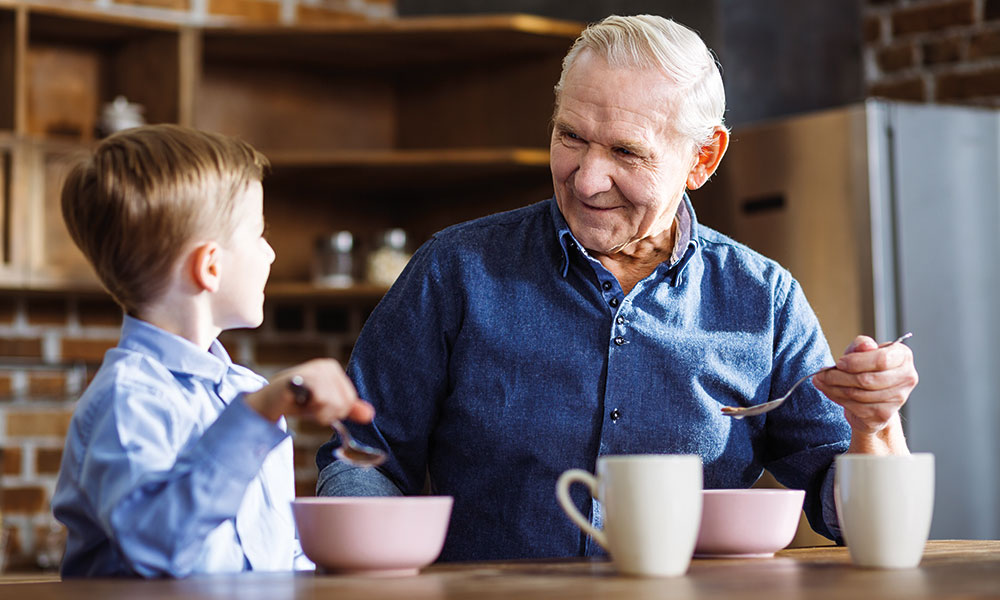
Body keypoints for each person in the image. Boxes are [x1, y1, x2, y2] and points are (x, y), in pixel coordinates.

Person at [316, 15, 918, 561]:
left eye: (627, 152)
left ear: (702, 159)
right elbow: (360, 454)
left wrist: (875, 426)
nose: (588, 178)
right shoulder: (454, 271)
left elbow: (851, 519)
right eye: (570, 137)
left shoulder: (764, 299)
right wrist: (365, 558)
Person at [51, 124, 372, 578]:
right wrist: (255, 414)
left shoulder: (249, 391)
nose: (271, 254)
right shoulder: (127, 400)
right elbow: (159, 545)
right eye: (258, 234)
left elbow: (275, 554)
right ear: (210, 267)